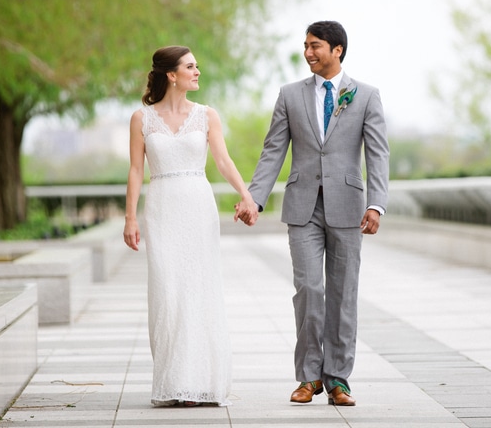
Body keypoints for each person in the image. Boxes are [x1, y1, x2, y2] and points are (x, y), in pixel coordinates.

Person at [235, 21, 390, 406]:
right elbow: (273, 150)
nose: (308, 53)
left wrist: (376, 203)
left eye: (315, 46)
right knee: (309, 290)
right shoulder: (290, 95)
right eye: (305, 45)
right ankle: (308, 377)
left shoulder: (366, 96)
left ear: (337, 50)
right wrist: (254, 198)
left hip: (350, 208)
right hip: (302, 206)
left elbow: (378, 153)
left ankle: (338, 378)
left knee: (343, 293)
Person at [124, 45, 256, 407]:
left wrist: (246, 195)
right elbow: (137, 170)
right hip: (163, 207)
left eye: (197, 66)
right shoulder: (142, 119)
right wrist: (130, 217)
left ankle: (201, 383)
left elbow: (223, 160)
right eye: (190, 66)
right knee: (168, 293)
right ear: (171, 74)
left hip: (198, 207)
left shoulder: (206, 115)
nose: (197, 72)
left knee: (199, 291)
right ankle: (173, 382)